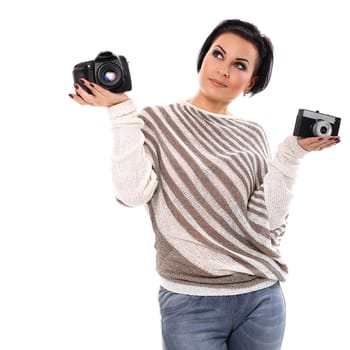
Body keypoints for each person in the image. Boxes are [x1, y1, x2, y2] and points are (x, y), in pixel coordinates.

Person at [69, 19, 340, 350]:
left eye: (239, 65)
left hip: (262, 300)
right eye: (218, 54)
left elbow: (268, 222)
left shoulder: (253, 133)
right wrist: (121, 111)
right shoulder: (157, 121)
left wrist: (291, 153)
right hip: (190, 304)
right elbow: (131, 193)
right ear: (204, 57)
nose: (223, 70)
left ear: (251, 80)